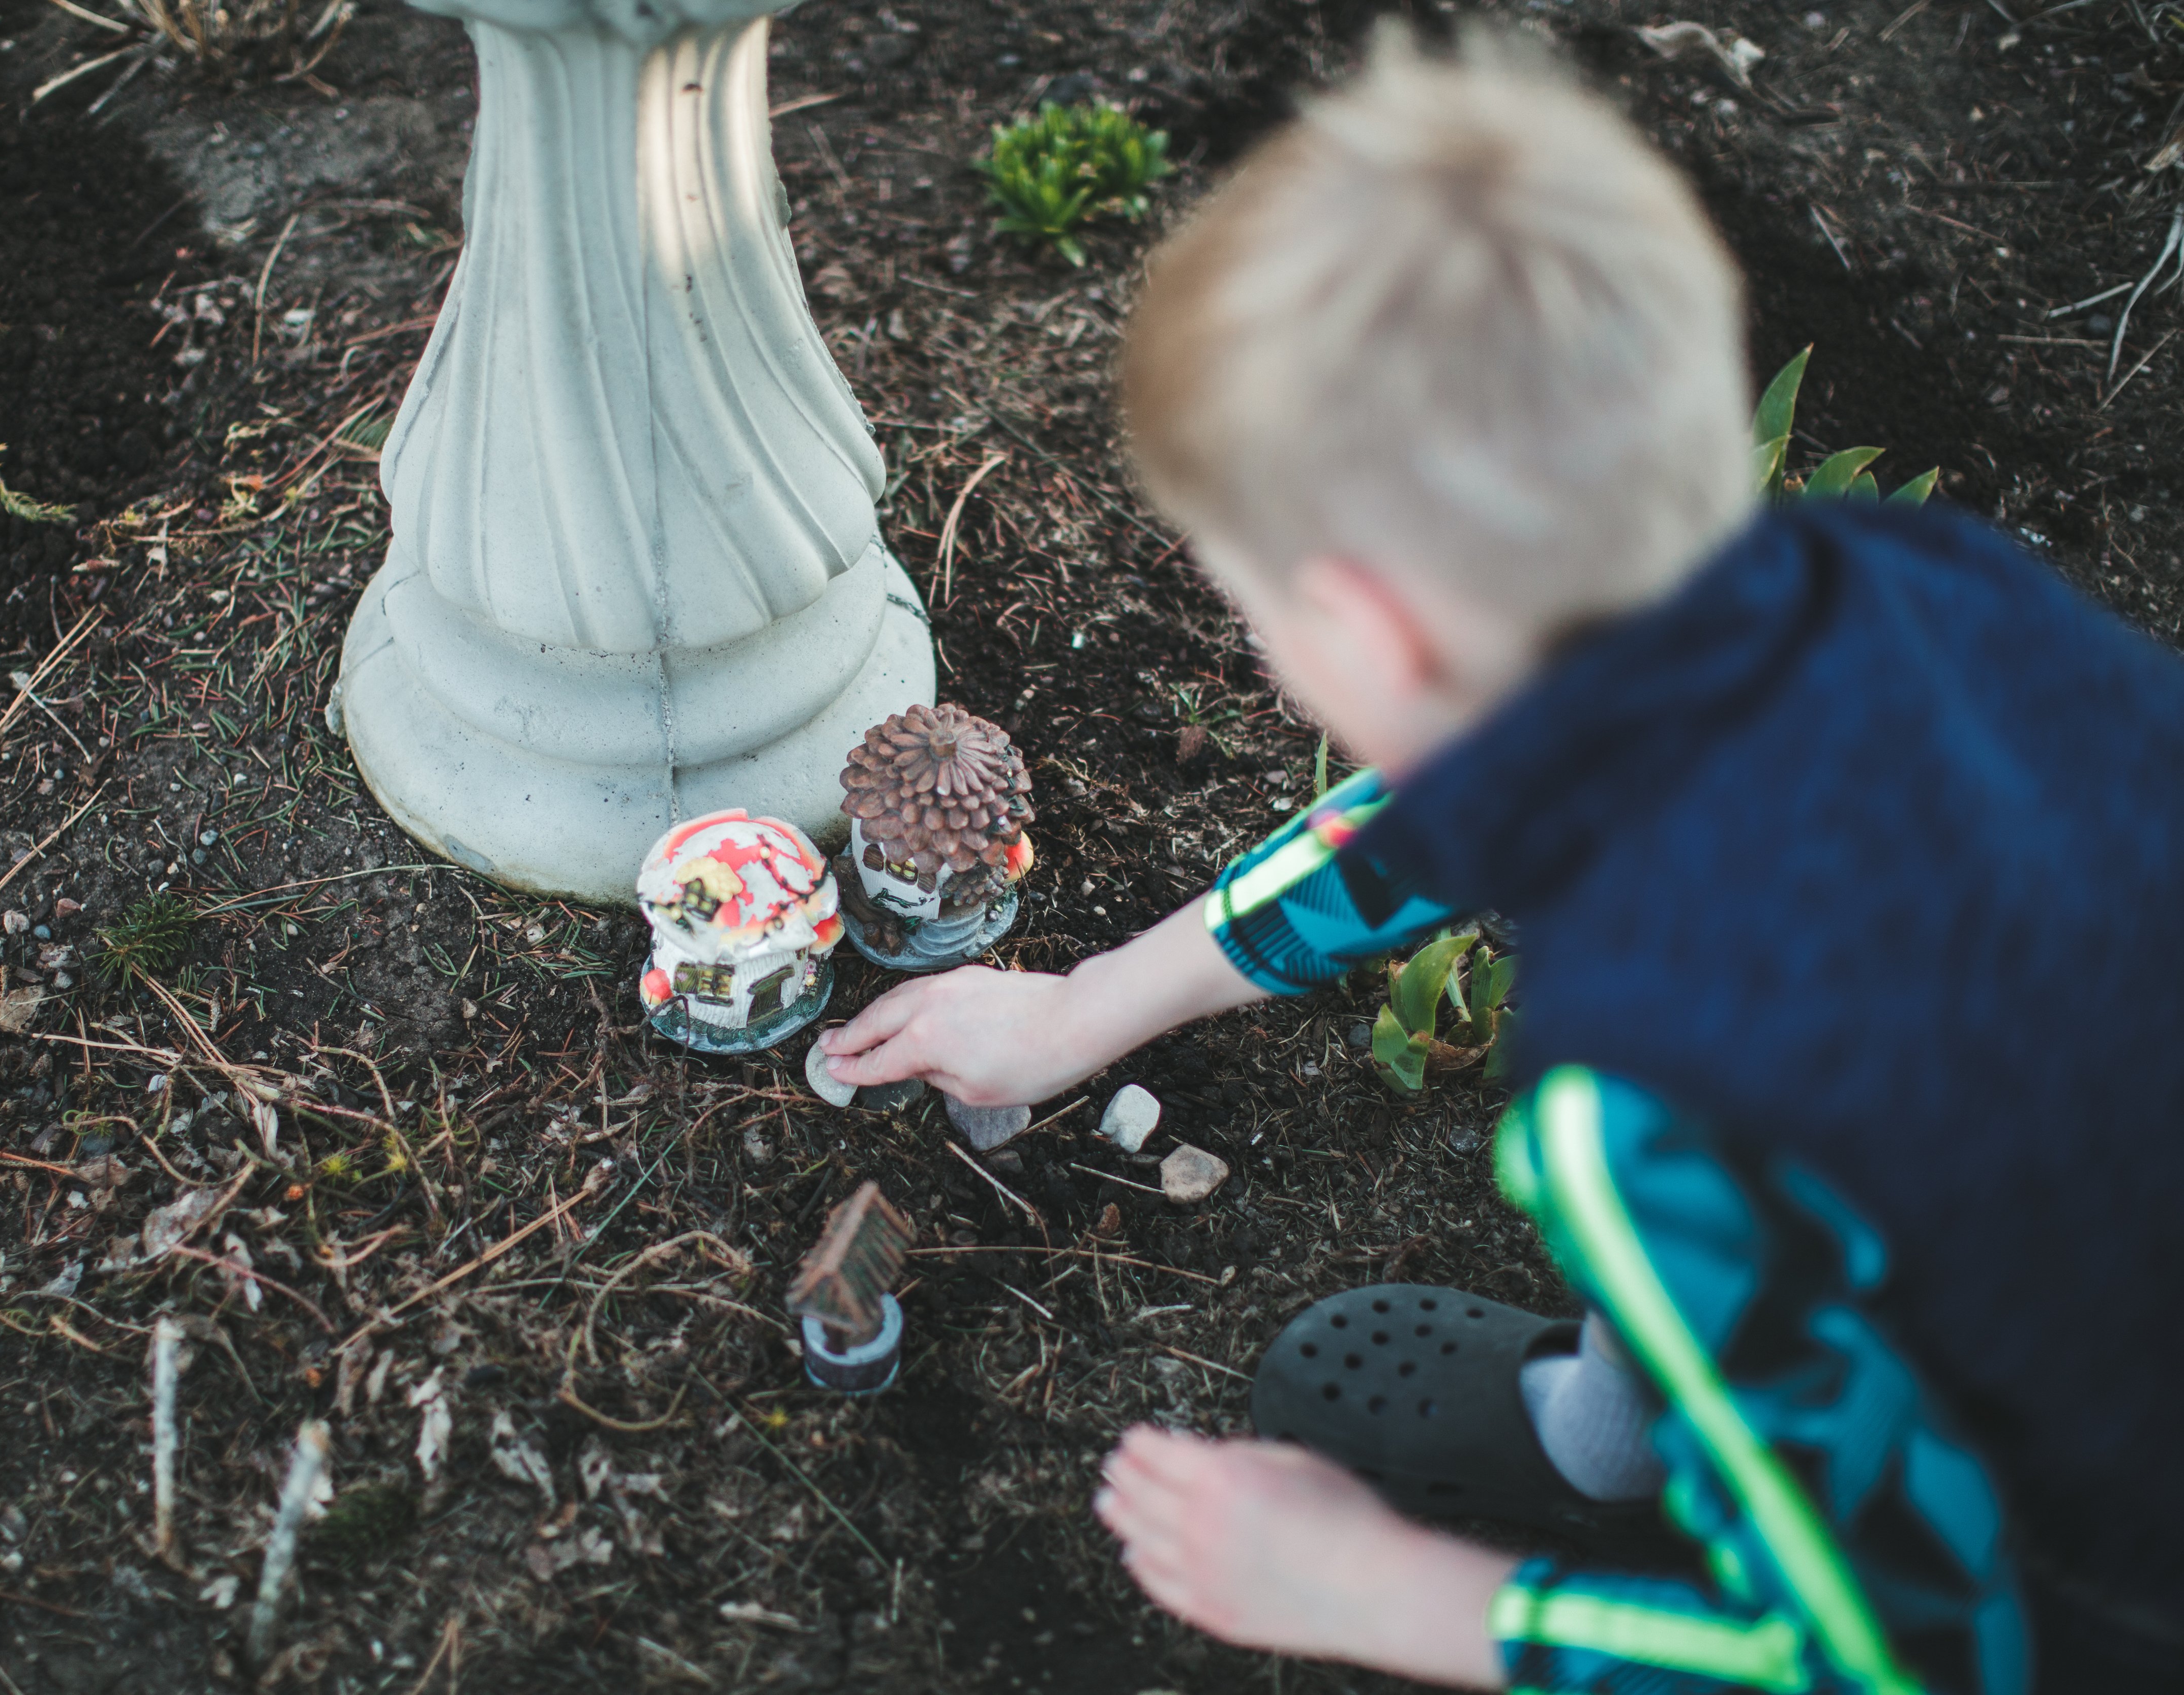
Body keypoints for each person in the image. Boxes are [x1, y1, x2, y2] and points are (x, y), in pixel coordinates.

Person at [818, 25, 2183, 1694]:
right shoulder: (1902, 579)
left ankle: (1613, 1501)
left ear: (1365, 623)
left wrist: (1366, 1589)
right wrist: (1084, 1010)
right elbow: (1455, 802)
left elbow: (1894, 1653)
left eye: (1245, 604)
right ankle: (1619, 1444)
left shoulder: (1646, 1098)